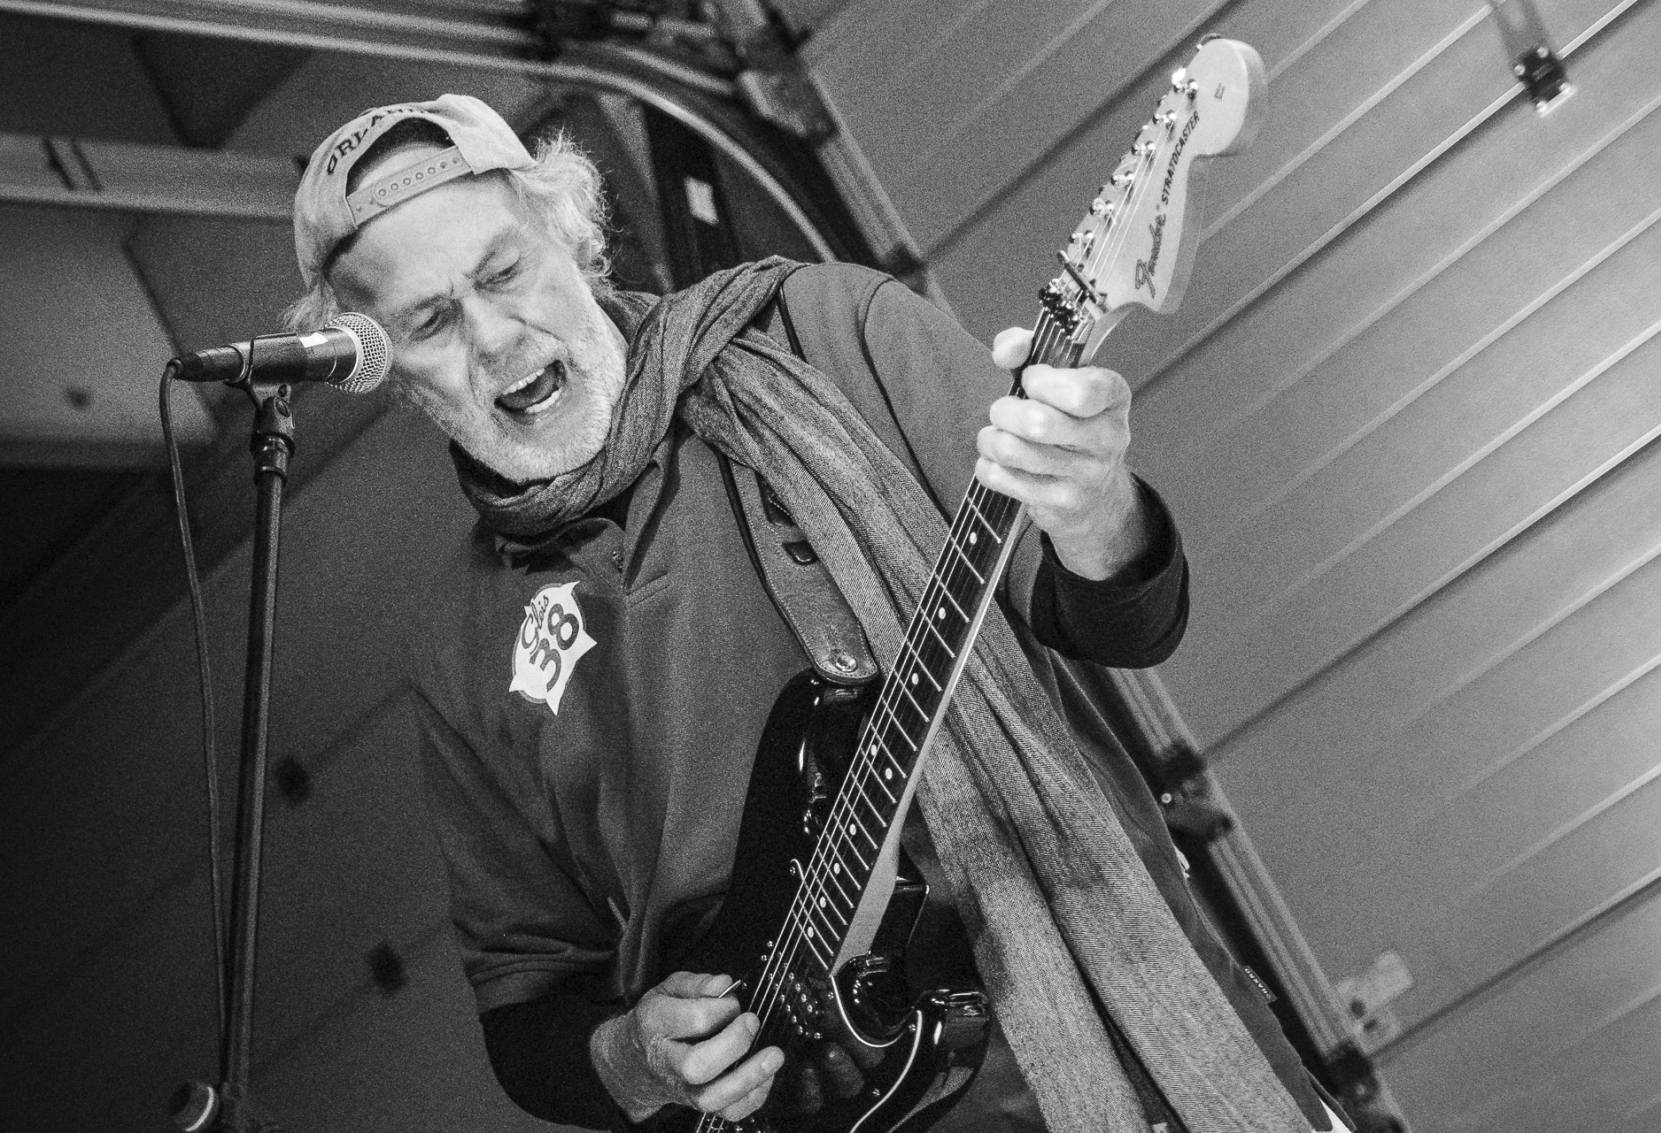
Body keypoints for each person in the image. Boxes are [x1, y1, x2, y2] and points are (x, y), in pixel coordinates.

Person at [289, 94, 1342, 1133]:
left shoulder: (824, 330)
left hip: (1121, 1034)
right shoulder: (459, 643)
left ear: (572, 239)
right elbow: (525, 1001)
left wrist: (1094, 503)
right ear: (386, 370)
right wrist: (631, 1054)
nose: (491, 336)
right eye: (429, 321)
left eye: (504, 271)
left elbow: (1124, 625)